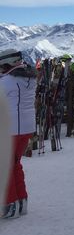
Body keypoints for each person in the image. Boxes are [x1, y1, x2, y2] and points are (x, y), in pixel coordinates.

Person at [0, 49, 36, 219]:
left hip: (11, 128)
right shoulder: (30, 78)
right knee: (14, 163)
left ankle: (10, 204)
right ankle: (21, 202)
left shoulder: (7, 81)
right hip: (26, 127)